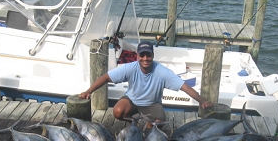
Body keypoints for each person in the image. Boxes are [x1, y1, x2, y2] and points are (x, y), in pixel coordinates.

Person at [79, 40, 213, 129]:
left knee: (158, 124)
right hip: (132, 100)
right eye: (142, 55)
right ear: (137, 56)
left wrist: (202, 101)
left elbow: (184, 86)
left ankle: (147, 124)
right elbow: (106, 77)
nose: (145, 59)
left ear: (153, 55)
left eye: (148, 55)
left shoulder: (162, 72)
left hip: (152, 104)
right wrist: (89, 91)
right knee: (117, 112)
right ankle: (134, 122)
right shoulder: (130, 68)